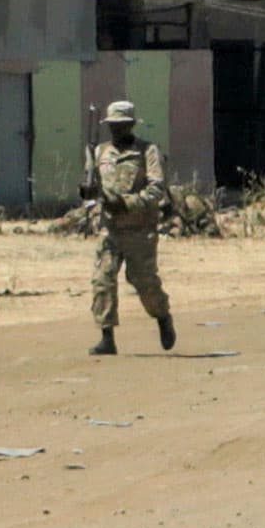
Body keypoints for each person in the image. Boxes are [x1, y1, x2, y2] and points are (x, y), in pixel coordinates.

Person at [85, 100, 176, 356]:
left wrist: (126, 204)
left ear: (131, 125)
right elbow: (93, 188)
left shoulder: (147, 152)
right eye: (113, 126)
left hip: (139, 229)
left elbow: (156, 189)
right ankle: (107, 336)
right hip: (110, 229)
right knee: (102, 280)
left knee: (143, 280)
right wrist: (89, 196)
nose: (116, 131)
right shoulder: (99, 152)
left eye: (121, 125)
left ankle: (162, 316)